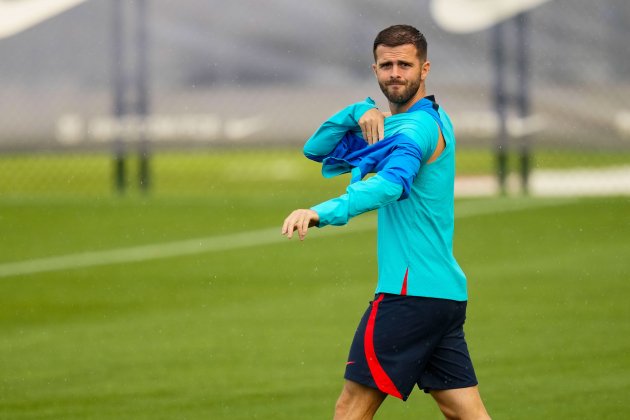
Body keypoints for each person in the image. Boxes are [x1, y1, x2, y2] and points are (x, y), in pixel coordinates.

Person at [281, 25, 491, 420]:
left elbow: (391, 185)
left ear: (424, 69)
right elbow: (316, 148)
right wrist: (359, 110)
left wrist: (320, 212)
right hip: (442, 296)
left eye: (405, 65)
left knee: (350, 410)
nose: (395, 73)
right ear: (375, 69)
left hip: (408, 297)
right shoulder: (401, 124)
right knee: (466, 412)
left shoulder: (416, 129)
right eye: (386, 65)